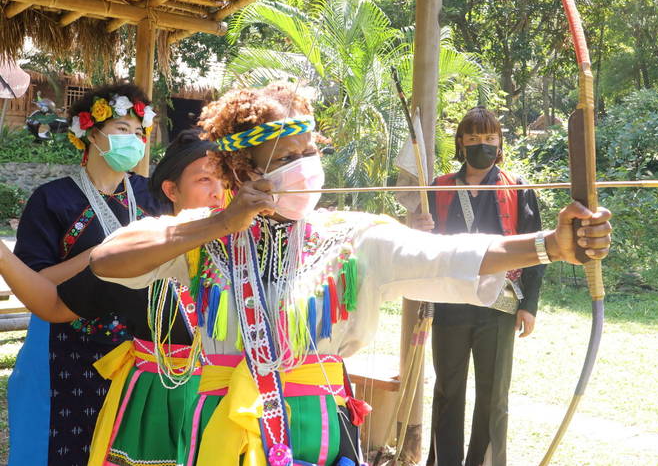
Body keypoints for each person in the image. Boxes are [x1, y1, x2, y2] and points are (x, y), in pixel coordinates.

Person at [87, 83, 612, 466]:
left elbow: (448, 254)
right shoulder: (207, 233)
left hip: (319, 433)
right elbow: (108, 260)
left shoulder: (351, 236)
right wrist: (224, 221)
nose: (307, 165)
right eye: (287, 156)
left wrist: (549, 245)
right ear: (245, 171)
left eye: (311, 151)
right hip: (222, 433)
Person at [0, 128, 223, 466]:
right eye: (205, 180)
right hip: (156, 410)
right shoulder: (138, 258)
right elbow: (52, 304)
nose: (219, 193)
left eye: (226, 179)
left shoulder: (250, 254)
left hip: (227, 409)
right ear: (171, 190)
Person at [6, 84, 160, 466]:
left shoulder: (150, 195)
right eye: (123, 129)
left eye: (139, 133)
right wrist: (101, 254)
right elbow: (34, 280)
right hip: (63, 345)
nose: (134, 140)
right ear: (91, 133)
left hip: (136, 347)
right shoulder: (53, 199)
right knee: (60, 448)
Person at [411, 106, 543, 466]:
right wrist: (418, 227)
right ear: (461, 143)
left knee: (493, 395)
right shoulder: (437, 187)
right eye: (472, 139)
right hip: (450, 300)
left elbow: (536, 249)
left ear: (499, 143)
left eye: (488, 138)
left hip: (499, 304)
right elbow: (424, 246)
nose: (481, 145)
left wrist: (529, 305)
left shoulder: (518, 187)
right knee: (447, 389)